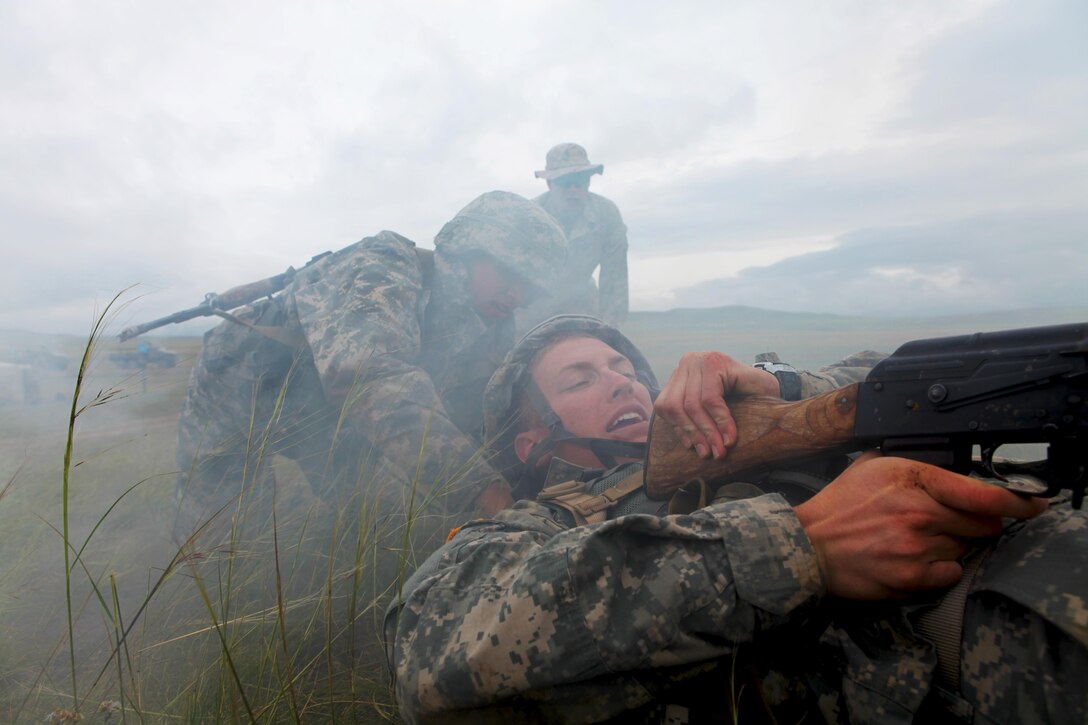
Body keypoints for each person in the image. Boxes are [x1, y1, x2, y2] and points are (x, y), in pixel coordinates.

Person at [385, 315, 1087, 723]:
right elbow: (435, 635)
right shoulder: (540, 524)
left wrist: (780, 385)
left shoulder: (750, 430)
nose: (623, 378)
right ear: (530, 443)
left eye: (623, 364)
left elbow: (900, 380)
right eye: (580, 378)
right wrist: (804, 545)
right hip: (982, 650)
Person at [174, 191, 567, 538]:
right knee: (225, 530)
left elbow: (488, 414)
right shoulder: (382, 267)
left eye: (529, 287)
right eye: (510, 273)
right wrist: (493, 496)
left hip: (324, 410)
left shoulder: (494, 324)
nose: (516, 294)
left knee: (370, 518)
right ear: (468, 248)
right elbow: (372, 380)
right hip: (243, 385)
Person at [520, 143, 629, 331]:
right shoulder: (529, 217)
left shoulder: (606, 214)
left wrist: (611, 332)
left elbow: (614, 281)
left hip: (583, 310)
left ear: (588, 181)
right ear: (549, 183)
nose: (573, 190)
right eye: (564, 182)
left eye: (580, 181)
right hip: (531, 313)